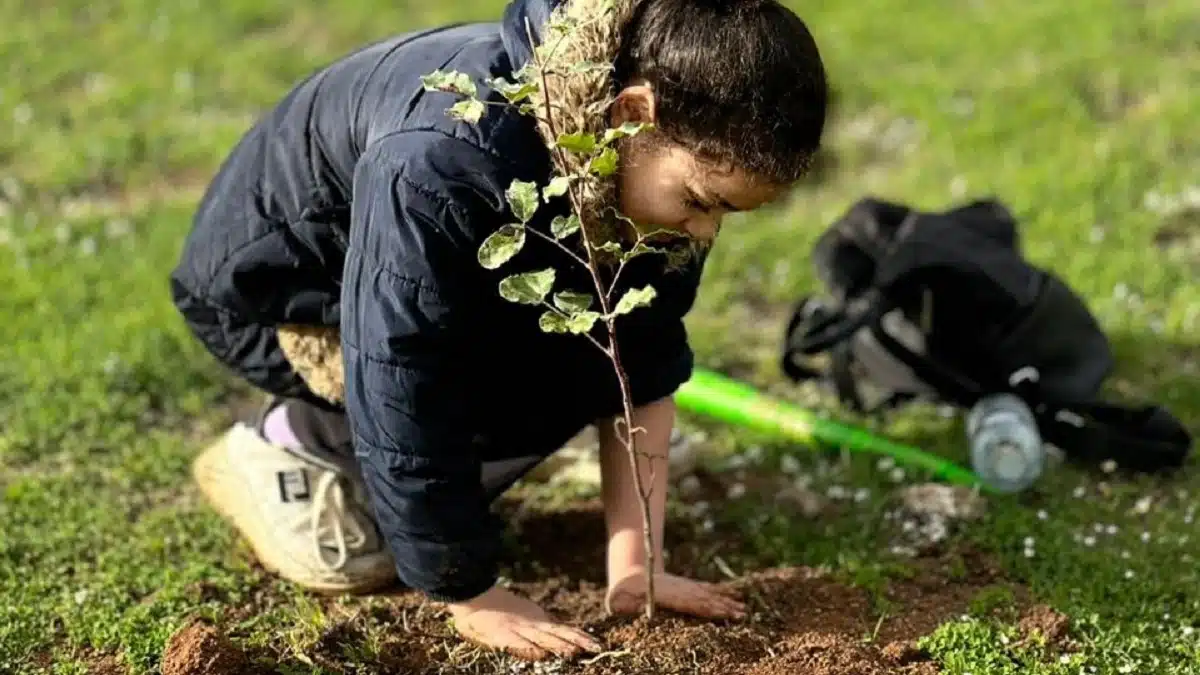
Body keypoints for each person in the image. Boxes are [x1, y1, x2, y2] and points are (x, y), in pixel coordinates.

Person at [169, 0, 827, 661]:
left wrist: (636, 565)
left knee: (574, 361)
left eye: (727, 213)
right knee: (492, 420)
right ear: (631, 116)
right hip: (276, 297)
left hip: (398, 283)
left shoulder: (644, 162)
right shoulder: (445, 160)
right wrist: (467, 590)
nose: (707, 230)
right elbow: (401, 362)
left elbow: (641, 350)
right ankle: (288, 443)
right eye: (701, 202)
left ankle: (413, 465)